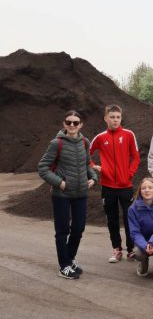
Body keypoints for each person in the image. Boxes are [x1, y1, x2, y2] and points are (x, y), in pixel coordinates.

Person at [38, 110, 98, 279]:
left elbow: (87, 164)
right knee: (62, 231)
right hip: (61, 194)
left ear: (81, 125)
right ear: (64, 124)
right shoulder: (56, 143)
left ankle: (69, 260)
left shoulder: (85, 142)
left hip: (81, 193)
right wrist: (60, 183)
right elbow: (42, 167)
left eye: (75, 122)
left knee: (78, 229)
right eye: (69, 122)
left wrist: (93, 177)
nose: (72, 125)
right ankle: (64, 266)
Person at [90, 104, 140, 263]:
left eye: (118, 117)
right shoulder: (100, 137)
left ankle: (131, 250)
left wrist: (129, 174)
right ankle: (117, 249)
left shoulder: (129, 135)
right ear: (106, 118)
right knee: (112, 219)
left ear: (121, 118)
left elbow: (136, 157)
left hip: (126, 186)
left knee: (129, 218)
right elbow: (85, 154)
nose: (115, 120)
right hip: (107, 186)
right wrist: (94, 166)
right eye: (112, 117)